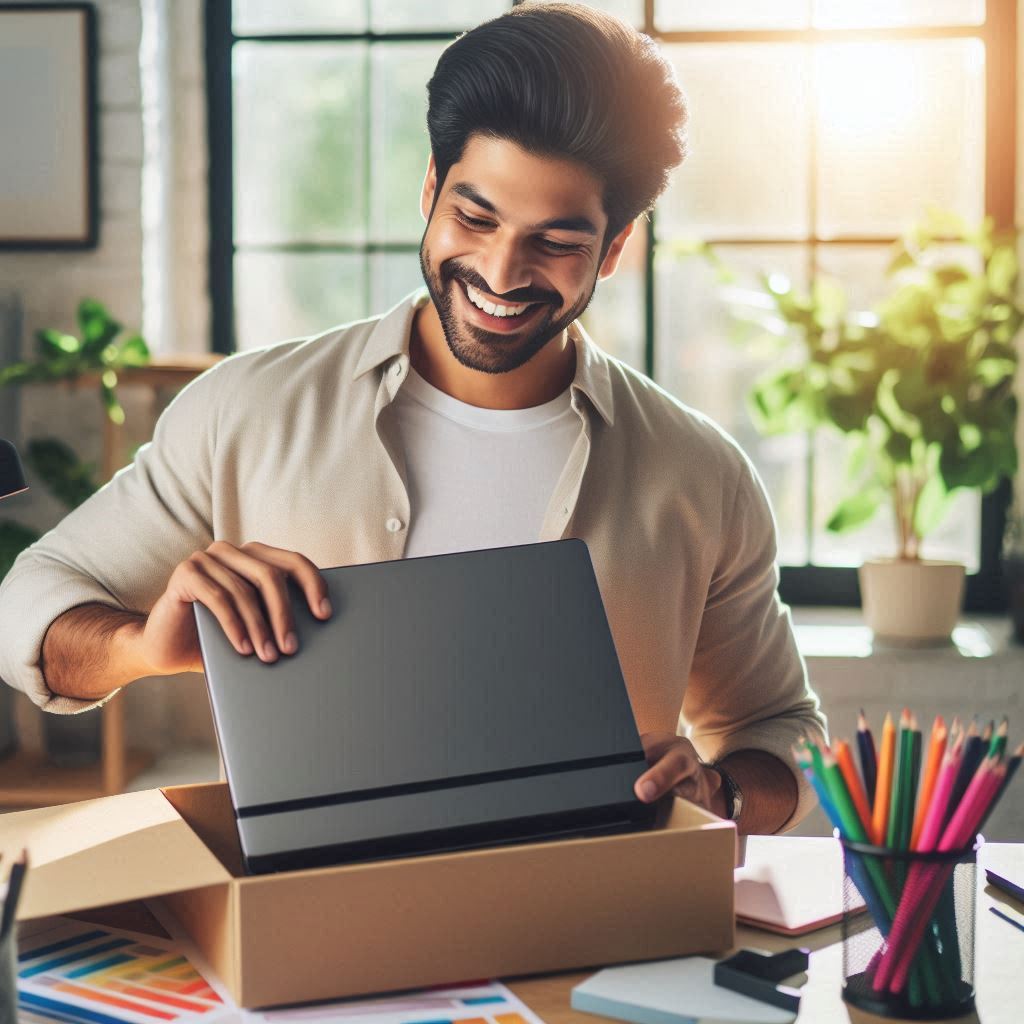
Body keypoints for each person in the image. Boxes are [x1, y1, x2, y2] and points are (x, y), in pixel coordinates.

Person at [0, 2, 826, 834]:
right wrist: (144, 646)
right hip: (316, 936)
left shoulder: (701, 475)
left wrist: (719, 793)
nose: (501, 271)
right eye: (475, 217)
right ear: (432, 189)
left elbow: (780, 733)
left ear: (615, 248)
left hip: (599, 939)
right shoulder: (245, 412)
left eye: (556, 241)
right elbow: (27, 604)